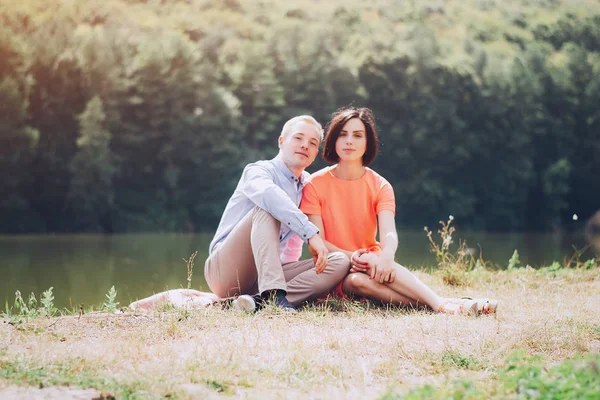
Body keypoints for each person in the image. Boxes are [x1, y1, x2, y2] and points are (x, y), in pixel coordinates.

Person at [300, 107, 497, 315]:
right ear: (333, 140)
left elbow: (388, 232)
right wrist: (355, 257)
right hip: (335, 266)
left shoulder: (380, 185)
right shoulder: (314, 184)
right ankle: (444, 304)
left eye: (357, 135)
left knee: (366, 274)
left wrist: (386, 255)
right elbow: (318, 242)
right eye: (343, 134)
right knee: (356, 281)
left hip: (374, 261)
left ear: (368, 143)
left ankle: (442, 305)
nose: (349, 141)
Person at [204, 115, 350, 313]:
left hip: (265, 274)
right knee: (267, 209)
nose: (305, 145)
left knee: (339, 260)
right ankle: (275, 296)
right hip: (225, 271)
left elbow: (292, 246)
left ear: (316, 153)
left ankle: (258, 302)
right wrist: (311, 233)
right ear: (282, 141)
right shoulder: (257, 171)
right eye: (298, 138)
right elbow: (269, 196)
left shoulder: (307, 185)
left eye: (312, 143)